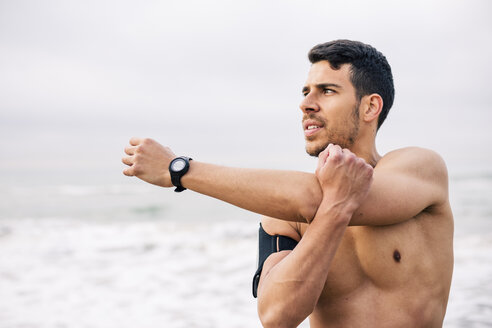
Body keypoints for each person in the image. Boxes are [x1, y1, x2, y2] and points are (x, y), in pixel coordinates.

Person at [121, 40, 453, 327]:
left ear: (370, 107)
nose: (306, 104)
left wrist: (179, 170)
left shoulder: (420, 168)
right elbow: (277, 316)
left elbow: (339, 198)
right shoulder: (282, 211)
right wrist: (331, 213)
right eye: (306, 92)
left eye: (327, 91)